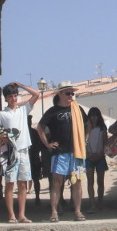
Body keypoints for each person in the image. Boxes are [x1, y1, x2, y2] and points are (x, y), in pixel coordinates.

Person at [36, 81, 88, 222]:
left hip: (76, 152)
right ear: (59, 94)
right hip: (60, 152)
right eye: (67, 93)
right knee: (57, 181)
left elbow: (87, 124)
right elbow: (40, 127)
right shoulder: (52, 111)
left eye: (72, 93)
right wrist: (47, 144)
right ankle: (54, 211)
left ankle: (78, 211)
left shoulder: (77, 109)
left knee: (77, 181)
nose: (70, 95)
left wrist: (85, 140)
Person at [0, 81, 40, 223]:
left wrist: (20, 85)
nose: (14, 98)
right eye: (11, 96)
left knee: (22, 184)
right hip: (11, 152)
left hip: (24, 151)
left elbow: (36, 94)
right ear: (6, 98)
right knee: (10, 183)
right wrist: (4, 136)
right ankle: (11, 215)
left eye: (15, 95)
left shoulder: (23, 110)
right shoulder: (2, 114)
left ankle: (21, 214)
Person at [84, 107, 108, 212]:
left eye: (95, 115)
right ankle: (92, 203)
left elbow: (105, 143)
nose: (93, 117)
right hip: (88, 157)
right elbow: (83, 143)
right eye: (91, 115)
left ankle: (100, 202)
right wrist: (88, 154)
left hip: (100, 156)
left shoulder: (102, 128)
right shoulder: (85, 128)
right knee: (90, 181)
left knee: (100, 181)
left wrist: (100, 154)